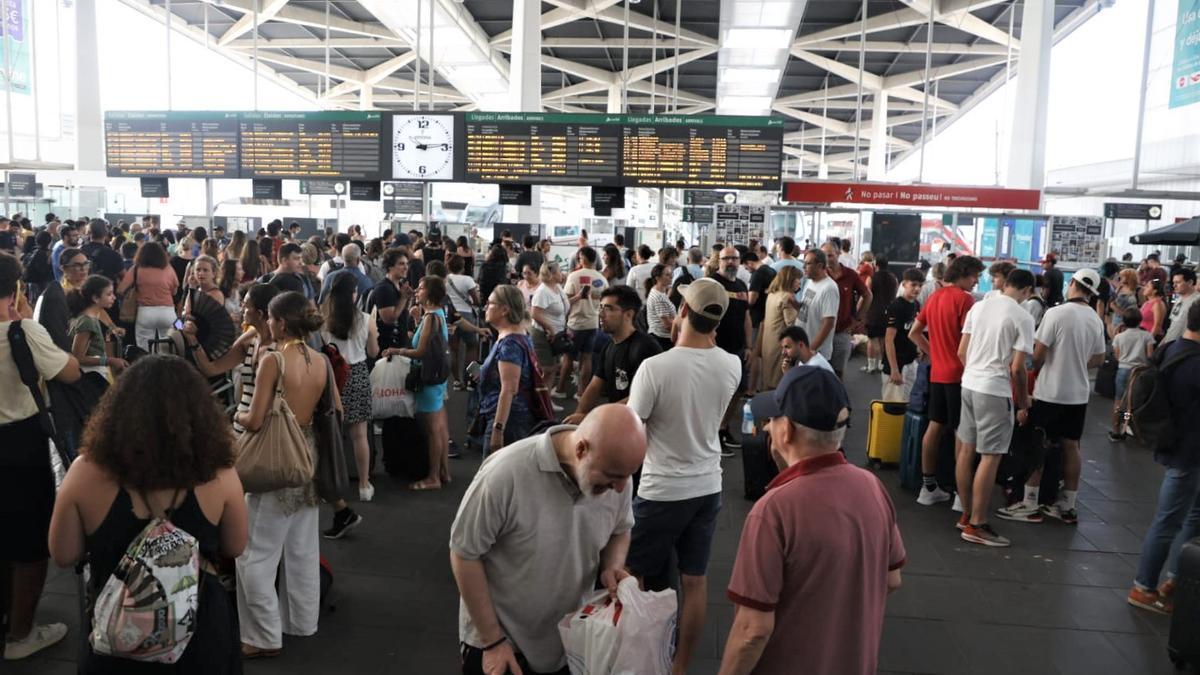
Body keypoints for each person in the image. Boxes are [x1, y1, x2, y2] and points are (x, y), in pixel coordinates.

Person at [47, 355, 249, 673]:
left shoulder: (84, 472)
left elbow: (63, 553)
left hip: (116, 629)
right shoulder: (219, 474)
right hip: (198, 627)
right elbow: (235, 546)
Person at [722, 367, 904, 675]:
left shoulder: (774, 510)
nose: (767, 429)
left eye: (772, 420)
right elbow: (891, 580)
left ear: (787, 431)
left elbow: (752, 630)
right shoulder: (872, 487)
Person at [450, 405, 645, 675]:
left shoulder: (616, 473)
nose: (621, 488)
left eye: (627, 476)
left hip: (570, 639)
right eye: (613, 477)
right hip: (501, 640)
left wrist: (612, 566)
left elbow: (621, 529)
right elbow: (464, 553)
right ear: (581, 450)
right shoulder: (506, 473)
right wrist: (493, 641)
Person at [626, 278, 741, 675]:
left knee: (630, 576)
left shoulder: (654, 368)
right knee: (694, 581)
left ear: (683, 312)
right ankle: (680, 667)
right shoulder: (732, 364)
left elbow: (631, 426)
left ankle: (632, 660)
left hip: (661, 490)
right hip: (708, 485)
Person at [234, 291, 327, 659]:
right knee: (302, 548)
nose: (266, 325)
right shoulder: (318, 359)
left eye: (270, 320)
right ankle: (302, 621)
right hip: (307, 455)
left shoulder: (273, 359)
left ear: (281, 323)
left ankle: (262, 635)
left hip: (274, 457)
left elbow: (255, 419)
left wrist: (235, 416)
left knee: (255, 552)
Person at [0, 252, 82, 661]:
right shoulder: (23, 331)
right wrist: (28, 319)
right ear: (15, 288)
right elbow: (69, 371)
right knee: (30, 542)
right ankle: (21, 633)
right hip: (20, 444)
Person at [997, 269, 1107, 527]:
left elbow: (1037, 357)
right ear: (1091, 293)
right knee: (1071, 446)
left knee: (1039, 444)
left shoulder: (1056, 313)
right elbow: (1100, 358)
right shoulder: (1095, 319)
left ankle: (1030, 503)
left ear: (1072, 284)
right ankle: (1068, 506)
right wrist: (1077, 364)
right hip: (1078, 395)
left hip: (1050, 393)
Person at [1127, 301, 1200, 615]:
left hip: (1177, 446)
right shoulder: (1195, 364)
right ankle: (1143, 587)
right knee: (1169, 520)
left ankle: (1176, 577)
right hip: (1188, 451)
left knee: (1192, 515)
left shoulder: (1170, 349)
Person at [954, 269, 1036, 547]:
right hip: (994, 391)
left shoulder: (979, 307)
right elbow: (1017, 368)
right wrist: (1023, 401)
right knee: (990, 456)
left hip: (969, 385)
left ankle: (966, 515)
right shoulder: (1022, 316)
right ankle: (978, 524)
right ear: (1026, 291)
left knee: (966, 449)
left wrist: (976, 374)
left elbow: (961, 352)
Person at [908, 255, 983, 508]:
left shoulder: (935, 297)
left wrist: (934, 353)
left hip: (937, 372)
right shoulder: (965, 300)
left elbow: (913, 333)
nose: (976, 281)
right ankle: (961, 497)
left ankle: (928, 487)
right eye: (974, 276)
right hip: (959, 375)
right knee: (963, 433)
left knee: (935, 426)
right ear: (963, 274)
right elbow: (967, 342)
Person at [384, 276, 451, 490]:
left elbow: (420, 351)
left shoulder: (431, 317)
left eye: (421, 288)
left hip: (427, 378)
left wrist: (397, 351)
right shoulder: (436, 314)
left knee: (431, 430)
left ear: (430, 293)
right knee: (440, 426)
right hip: (438, 377)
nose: (417, 291)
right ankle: (443, 471)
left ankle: (433, 477)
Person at [320, 273, 380, 501]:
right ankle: (364, 485)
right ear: (353, 294)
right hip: (357, 374)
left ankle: (329, 485)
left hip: (331, 376)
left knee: (329, 435)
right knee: (359, 435)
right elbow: (374, 352)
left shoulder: (322, 319)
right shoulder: (366, 319)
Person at [566, 285, 661, 424]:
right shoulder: (609, 347)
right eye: (601, 307)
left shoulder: (646, 347)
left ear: (629, 314)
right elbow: (594, 387)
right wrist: (577, 418)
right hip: (616, 422)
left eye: (608, 308)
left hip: (639, 427)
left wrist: (592, 418)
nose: (601, 313)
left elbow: (639, 398)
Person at [476, 285, 540, 452]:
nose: (486, 307)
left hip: (509, 419)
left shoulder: (510, 343)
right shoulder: (518, 334)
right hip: (512, 417)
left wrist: (498, 429)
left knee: (494, 474)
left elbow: (509, 389)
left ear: (504, 309)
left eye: (490, 303)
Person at [709, 246, 753, 451]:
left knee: (740, 388)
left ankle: (722, 428)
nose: (731, 262)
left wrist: (749, 345)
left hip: (738, 348)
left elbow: (746, 317)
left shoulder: (742, 285)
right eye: (726, 259)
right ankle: (711, 434)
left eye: (734, 259)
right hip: (716, 348)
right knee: (716, 392)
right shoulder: (711, 283)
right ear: (719, 261)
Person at [558, 246, 607, 398]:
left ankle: (560, 389)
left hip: (575, 323)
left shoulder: (574, 276)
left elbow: (565, 300)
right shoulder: (602, 279)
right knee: (587, 357)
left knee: (568, 357)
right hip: (593, 323)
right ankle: (582, 392)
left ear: (583, 259)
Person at [820, 240, 872, 379]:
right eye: (823, 255)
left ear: (838, 254)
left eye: (830, 255)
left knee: (838, 373)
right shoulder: (820, 275)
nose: (826, 259)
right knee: (820, 372)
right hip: (821, 331)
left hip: (841, 331)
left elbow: (867, 295)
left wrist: (857, 319)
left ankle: (837, 399)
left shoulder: (850, 275)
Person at [117, 241, 179, 350]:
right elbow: (174, 292)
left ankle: (147, 365)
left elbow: (120, 290)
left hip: (145, 312)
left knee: (144, 347)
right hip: (168, 312)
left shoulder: (136, 269)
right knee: (168, 346)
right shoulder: (168, 268)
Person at [68, 275, 128, 383]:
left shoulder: (89, 317)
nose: (113, 297)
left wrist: (113, 328)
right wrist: (111, 361)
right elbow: (78, 357)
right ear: (95, 298)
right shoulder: (87, 322)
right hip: (91, 377)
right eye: (109, 294)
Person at [1109, 308, 1156, 441]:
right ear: (1140, 320)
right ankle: (1132, 427)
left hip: (1123, 370)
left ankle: (1116, 430)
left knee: (1119, 401)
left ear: (1124, 321)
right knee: (1135, 402)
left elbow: (1117, 356)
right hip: (1140, 372)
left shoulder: (1119, 337)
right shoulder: (1147, 336)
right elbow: (1150, 356)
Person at [881, 268, 925, 402]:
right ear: (904, 284)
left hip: (911, 362)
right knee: (892, 406)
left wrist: (918, 348)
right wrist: (894, 369)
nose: (917, 289)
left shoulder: (916, 305)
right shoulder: (896, 306)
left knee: (907, 403)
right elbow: (889, 340)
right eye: (913, 285)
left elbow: (912, 332)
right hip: (896, 364)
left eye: (920, 285)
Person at [758, 265, 803, 391]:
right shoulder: (787, 297)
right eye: (797, 279)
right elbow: (792, 324)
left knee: (768, 378)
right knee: (779, 382)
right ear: (790, 279)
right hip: (780, 344)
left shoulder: (773, 294)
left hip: (768, 343)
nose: (799, 283)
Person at [530, 262, 569, 403]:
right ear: (552, 275)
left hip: (555, 334)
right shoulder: (543, 291)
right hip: (543, 335)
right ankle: (540, 402)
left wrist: (578, 297)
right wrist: (550, 328)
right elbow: (535, 314)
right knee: (547, 369)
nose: (562, 274)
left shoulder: (557, 288)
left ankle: (545, 402)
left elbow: (561, 307)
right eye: (559, 271)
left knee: (551, 369)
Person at [445, 254, 482, 390]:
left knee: (453, 349)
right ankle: (470, 381)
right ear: (463, 267)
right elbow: (477, 300)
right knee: (472, 347)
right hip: (466, 315)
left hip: (450, 315)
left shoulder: (445, 280)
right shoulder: (468, 280)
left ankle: (456, 381)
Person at [796, 248, 839, 361]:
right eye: (804, 263)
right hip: (803, 346)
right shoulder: (810, 281)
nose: (803, 267)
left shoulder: (829, 288)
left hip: (815, 353)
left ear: (820, 266)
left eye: (808, 264)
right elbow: (806, 308)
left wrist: (810, 349)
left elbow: (828, 323)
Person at [744, 251, 776, 391]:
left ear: (749, 263)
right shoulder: (771, 270)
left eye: (746, 267)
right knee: (762, 354)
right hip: (767, 316)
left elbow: (751, 299)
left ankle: (751, 389)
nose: (746, 269)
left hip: (756, 318)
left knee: (754, 354)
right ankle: (760, 386)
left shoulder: (757, 274)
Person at [370, 248, 413, 351]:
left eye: (407, 264)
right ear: (390, 266)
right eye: (401, 264)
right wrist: (403, 298)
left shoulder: (400, 286)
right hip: (386, 349)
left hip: (399, 345)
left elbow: (401, 312)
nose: (406, 267)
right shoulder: (384, 289)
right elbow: (389, 319)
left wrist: (408, 299)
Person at [862, 257, 898, 374]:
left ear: (876, 265)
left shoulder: (871, 278)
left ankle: (871, 365)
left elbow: (867, 295)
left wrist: (860, 311)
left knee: (872, 340)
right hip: (888, 313)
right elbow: (895, 295)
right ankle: (882, 364)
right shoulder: (894, 279)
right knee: (884, 340)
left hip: (873, 313)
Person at [644, 262, 677, 351]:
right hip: (662, 338)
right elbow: (667, 324)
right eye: (667, 275)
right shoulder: (659, 297)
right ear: (658, 278)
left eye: (671, 274)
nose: (671, 277)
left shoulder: (659, 291)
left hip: (661, 336)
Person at [1162, 267, 1198, 345]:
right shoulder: (1179, 299)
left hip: (1186, 348)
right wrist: (1163, 343)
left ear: (1190, 282)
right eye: (1173, 282)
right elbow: (1173, 325)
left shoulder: (1197, 302)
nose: (1174, 285)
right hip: (1171, 345)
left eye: (1178, 282)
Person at [1111, 268, 1141, 338]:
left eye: (1122, 276)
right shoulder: (1120, 288)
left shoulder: (1138, 290)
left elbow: (1142, 306)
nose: (1120, 278)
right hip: (1117, 319)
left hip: (1132, 320)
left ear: (1128, 277)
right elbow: (1112, 302)